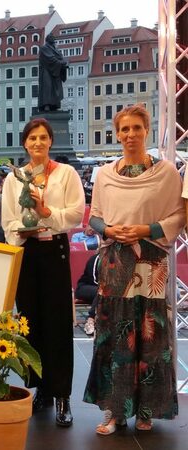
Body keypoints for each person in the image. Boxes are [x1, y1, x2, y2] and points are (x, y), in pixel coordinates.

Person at [83, 104, 185, 435]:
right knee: (115, 336)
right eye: (124, 129)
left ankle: (146, 410)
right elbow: (95, 216)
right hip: (115, 263)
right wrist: (110, 230)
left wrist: (145, 230)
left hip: (150, 264)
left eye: (136, 128)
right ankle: (113, 410)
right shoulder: (106, 174)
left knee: (149, 334)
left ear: (147, 130)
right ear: (117, 133)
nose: (130, 135)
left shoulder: (167, 173)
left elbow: (178, 217)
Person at [1, 117, 85, 427]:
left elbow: (76, 213)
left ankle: (62, 394)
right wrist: (21, 232)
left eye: (43, 137)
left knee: (59, 324)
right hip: (28, 250)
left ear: (50, 142)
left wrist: (46, 213)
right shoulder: (15, 177)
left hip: (54, 250)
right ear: (25, 143)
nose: (38, 142)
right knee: (30, 323)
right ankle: (40, 391)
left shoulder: (66, 174)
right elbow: (7, 218)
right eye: (32, 138)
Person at [38, 34, 68, 112]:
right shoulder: (44, 48)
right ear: (47, 39)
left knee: (56, 88)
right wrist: (62, 63)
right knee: (47, 87)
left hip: (56, 71)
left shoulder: (56, 50)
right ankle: (46, 105)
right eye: (51, 37)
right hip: (47, 71)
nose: (53, 38)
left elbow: (60, 57)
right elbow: (50, 59)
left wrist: (64, 63)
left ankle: (55, 105)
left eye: (53, 37)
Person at [75, 253, 100, 336]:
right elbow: (94, 280)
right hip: (84, 287)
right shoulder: (95, 258)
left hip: (100, 290)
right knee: (102, 291)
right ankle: (91, 320)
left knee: (104, 291)